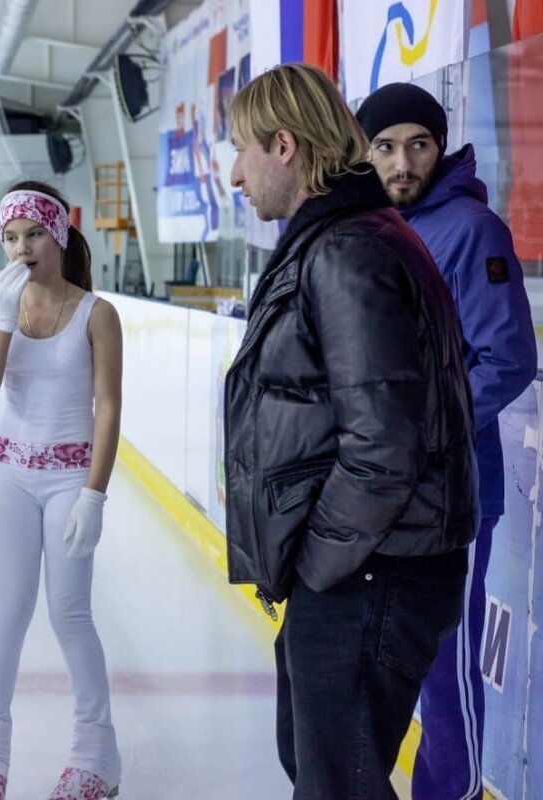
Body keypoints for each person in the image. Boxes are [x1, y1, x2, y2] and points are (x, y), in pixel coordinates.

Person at [224, 63, 479, 799]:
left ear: (283, 146)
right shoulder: (339, 239)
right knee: (323, 769)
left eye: (242, 149)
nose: (236, 173)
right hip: (367, 565)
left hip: (373, 569)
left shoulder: (347, 251)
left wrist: (317, 564)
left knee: (337, 784)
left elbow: (382, 445)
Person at [358, 82, 538, 800]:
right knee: (390, 658)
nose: (403, 162)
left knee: (444, 665)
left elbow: (508, 359)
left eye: (419, 145)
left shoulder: (471, 229)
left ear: (442, 146)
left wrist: (418, 433)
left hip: (452, 493)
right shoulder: (379, 227)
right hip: (382, 491)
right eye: (385, 147)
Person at [0, 182, 123, 800]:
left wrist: (94, 494)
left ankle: (96, 753)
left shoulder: (96, 312)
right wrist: (1, 320)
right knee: (6, 610)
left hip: (68, 476)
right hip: (8, 472)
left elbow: (107, 409)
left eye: (32, 233)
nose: (21, 247)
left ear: (57, 233)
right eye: (10, 237)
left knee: (69, 612)